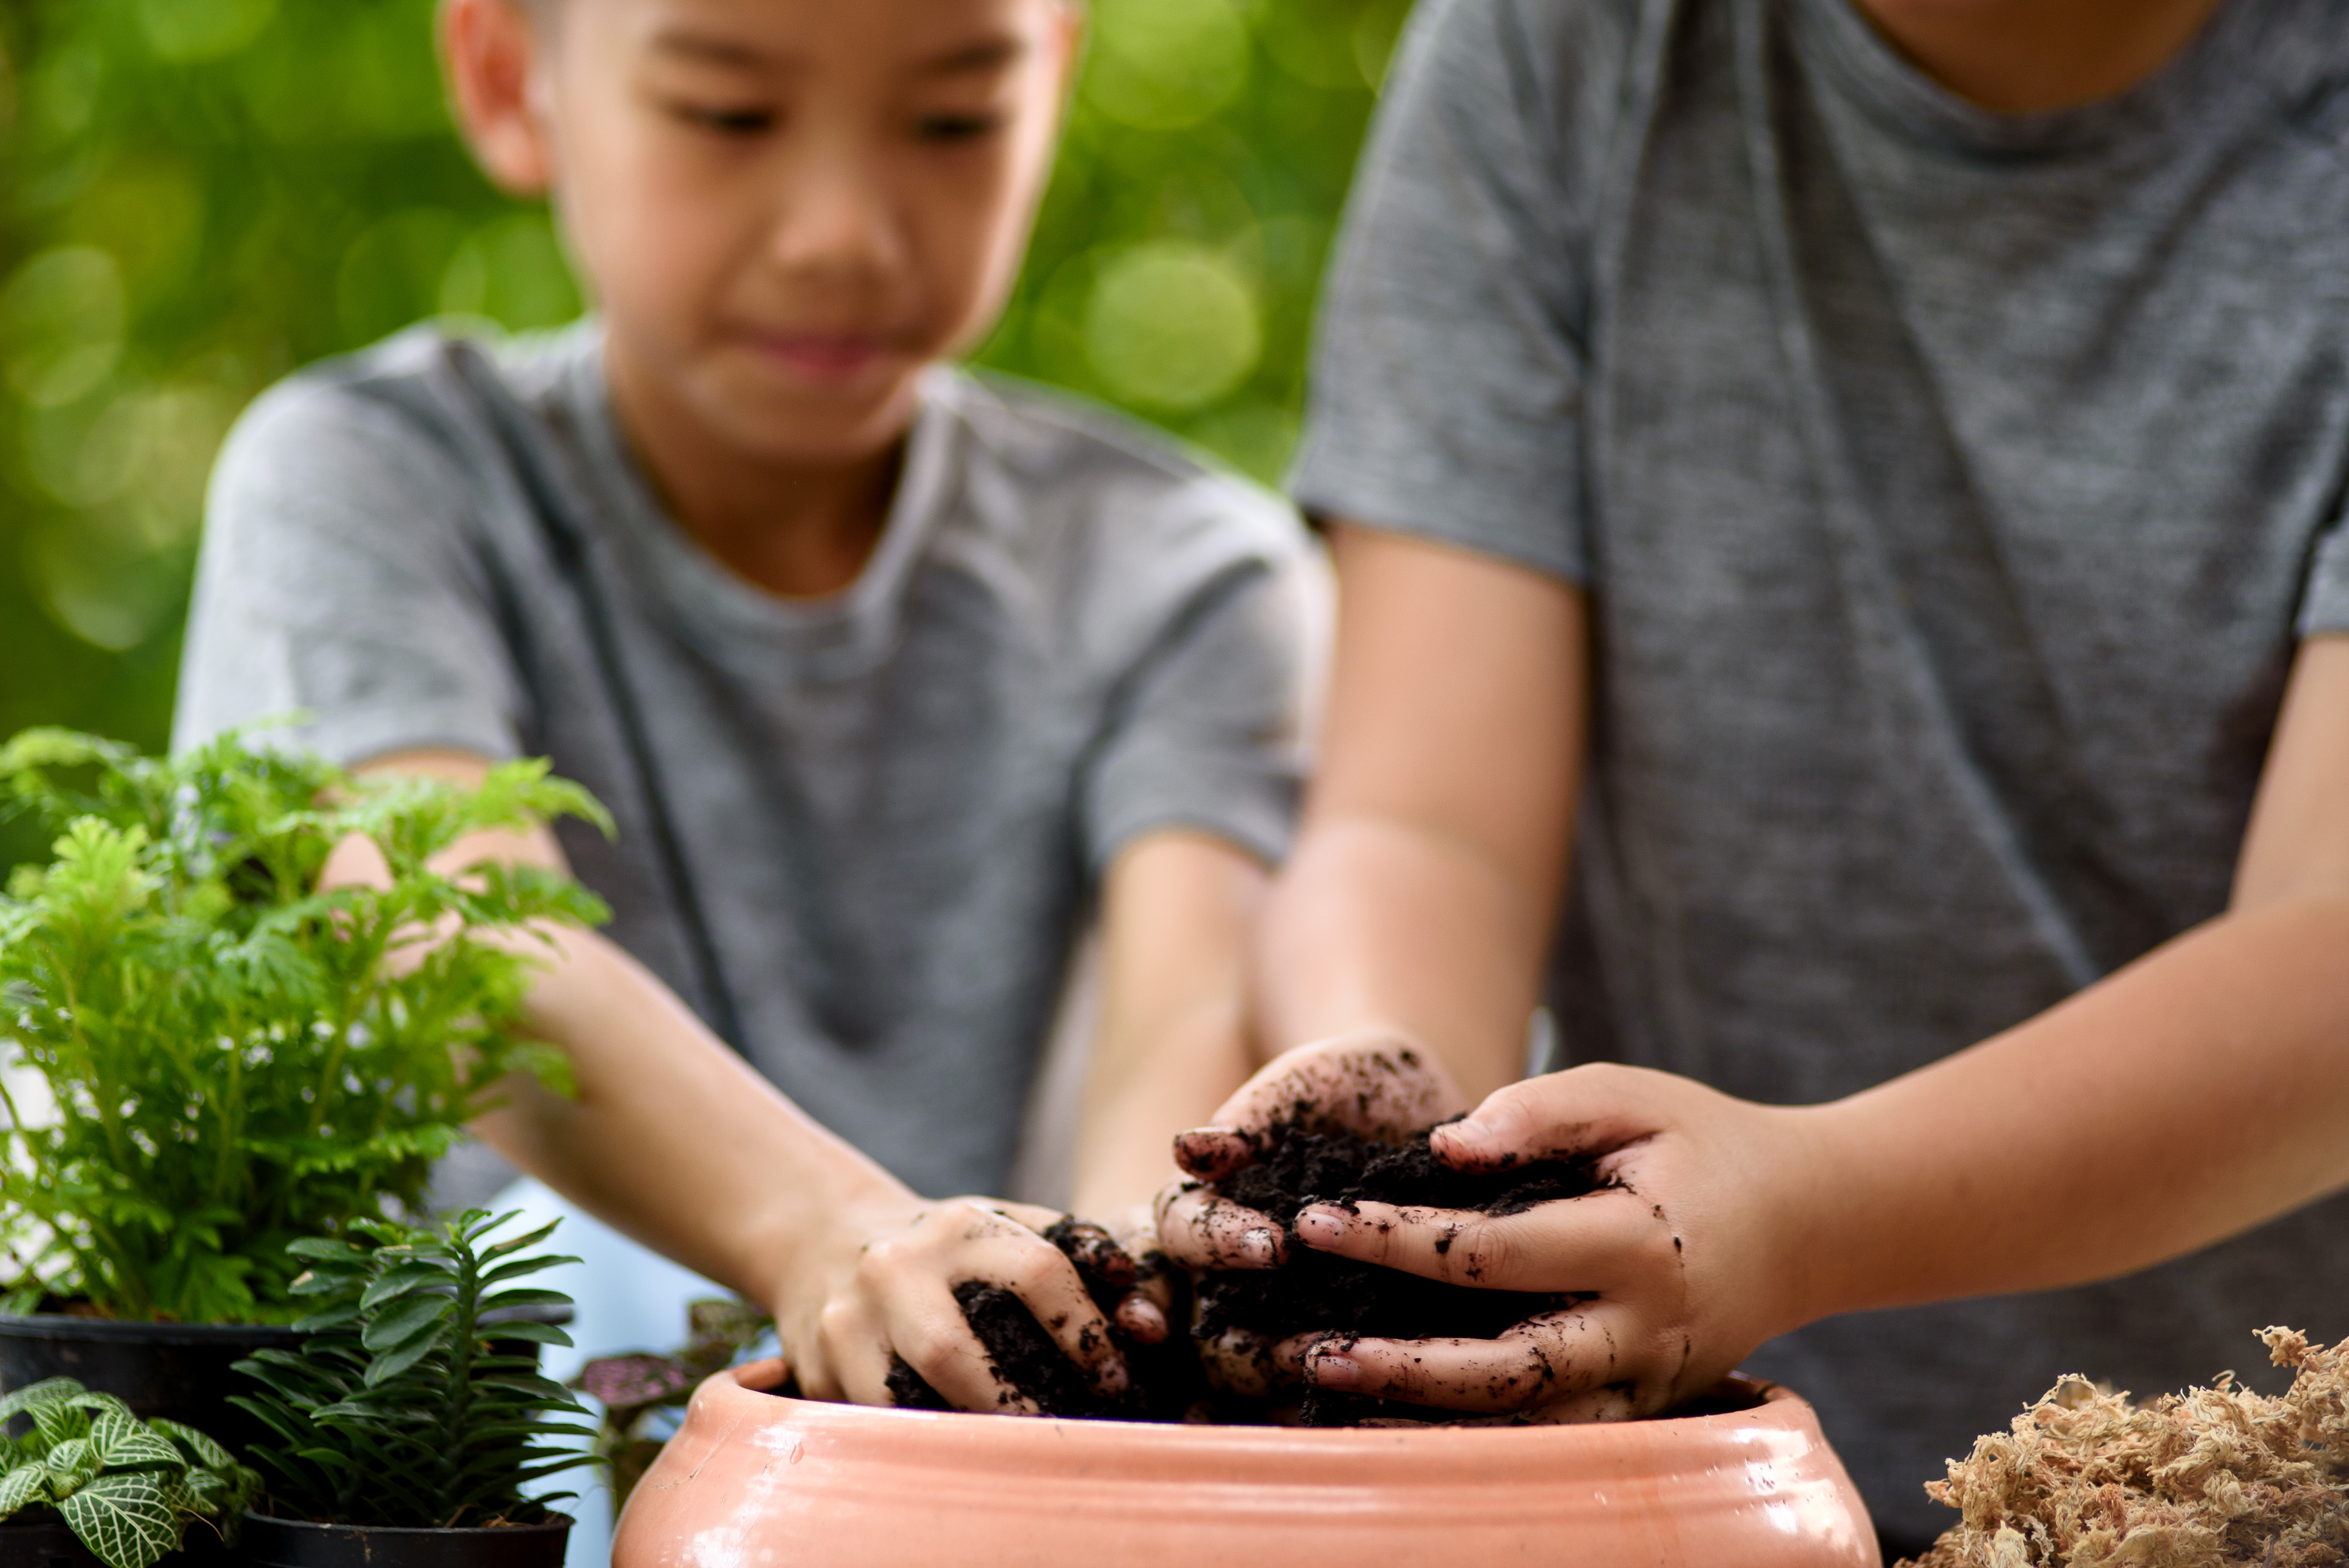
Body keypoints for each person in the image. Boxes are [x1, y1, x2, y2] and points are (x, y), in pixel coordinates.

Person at [1152, 0, 2349, 1552]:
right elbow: (1420, 821)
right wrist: (1403, 1137)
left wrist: (1809, 1201)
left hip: (2265, 1475)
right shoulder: (1561, 53)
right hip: (1692, 1491)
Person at [174, 0, 1325, 1414]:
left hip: (963, 1483)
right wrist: (825, 1234)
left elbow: (1185, 1048)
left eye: (953, 121)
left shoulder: (1188, 578)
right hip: (463, 1489)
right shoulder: (377, 482)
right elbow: (456, 942)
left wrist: (1106, 1337)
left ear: (1055, 79)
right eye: (729, 114)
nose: (841, 235)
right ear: (504, 75)